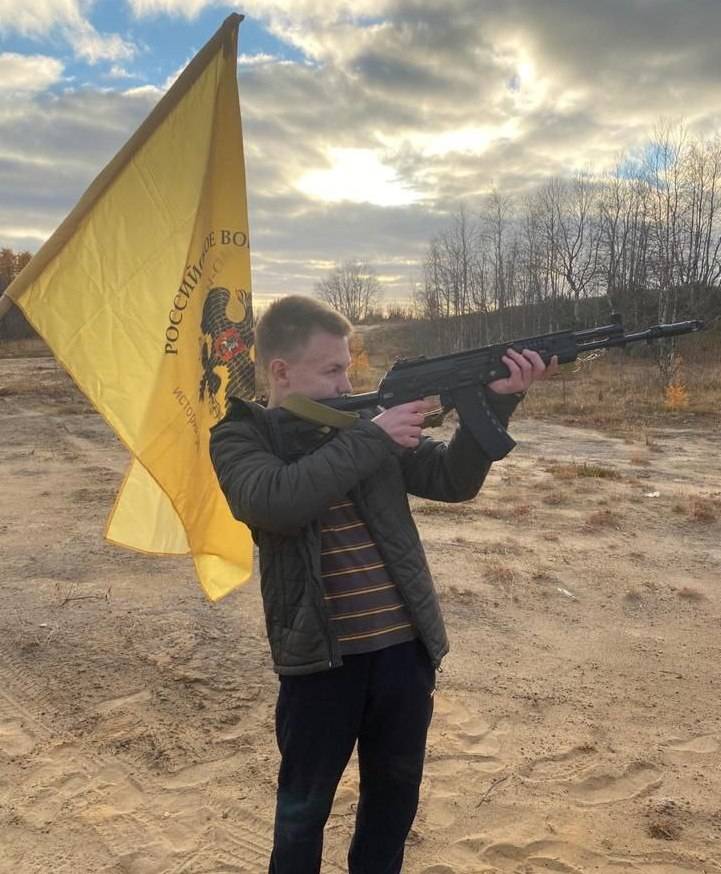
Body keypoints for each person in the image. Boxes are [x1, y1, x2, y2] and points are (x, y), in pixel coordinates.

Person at [209, 295, 557, 874]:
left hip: (402, 655)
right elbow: (273, 503)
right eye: (331, 370)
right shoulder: (243, 436)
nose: (347, 383)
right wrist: (374, 436)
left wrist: (498, 402)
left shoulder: (361, 424)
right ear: (281, 371)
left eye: (347, 368)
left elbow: (451, 479)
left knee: (392, 808)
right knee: (302, 817)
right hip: (320, 665)